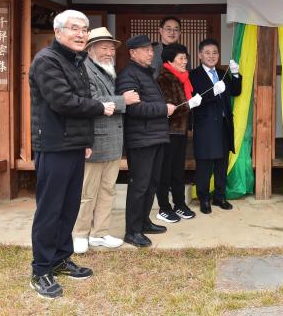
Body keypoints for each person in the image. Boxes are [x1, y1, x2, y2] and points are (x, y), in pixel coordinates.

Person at [29, 10, 115, 299]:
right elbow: (63, 102)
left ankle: (61, 257)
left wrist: (86, 140)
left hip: (74, 145)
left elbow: (81, 102)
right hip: (53, 145)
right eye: (74, 28)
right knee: (50, 209)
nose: (81, 34)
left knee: (68, 207)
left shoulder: (75, 61)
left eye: (84, 29)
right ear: (58, 32)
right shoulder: (46, 60)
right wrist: (100, 108)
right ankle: (41, 269)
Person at [72, 28, 140, 253]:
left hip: (112, 140)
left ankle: (99, 233)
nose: (109, 52)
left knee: (107, 190)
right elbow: (89, 101)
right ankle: (80, 234)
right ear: (90, 49)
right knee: (87, 192)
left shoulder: (108, 70)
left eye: (112, 48)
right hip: (94, 141)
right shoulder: (84, 70)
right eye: (104, 47)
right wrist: (123, 100)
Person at [116, 34, 173, 248]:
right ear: (133, 53)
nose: (151, 53)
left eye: (151, 49)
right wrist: (164, 109)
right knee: (139, 185)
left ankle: (143, 221)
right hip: (141, 139)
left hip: (155, 137)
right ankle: (132, 231)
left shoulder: (146, 74)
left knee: (152, 183)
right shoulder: (128, 75)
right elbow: (134, 108)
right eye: (146, 50)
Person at [190, 38, 241, 214]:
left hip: (224, 125)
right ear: (199, 55)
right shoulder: (193, 75)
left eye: (215, 53)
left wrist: (235, 74)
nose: (211, 56)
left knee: (221, 163)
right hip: (205, 125)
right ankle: (204, 198)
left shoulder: (222, 73)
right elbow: (195, 100)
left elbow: (236, 91)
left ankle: (220, 196)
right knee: (204, 164)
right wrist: (213, 91)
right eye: (207, 52)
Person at [155, 43, 201, 223]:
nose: (185, 61)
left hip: (180, 132)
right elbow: (169, 109)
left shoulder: (182, 77)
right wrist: (190, 105)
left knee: (178, 171)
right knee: (165, 172)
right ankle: (164, 207)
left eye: (185, 58)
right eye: (181, 58)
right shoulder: (164, 79)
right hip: (167, 132)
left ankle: (180, 204)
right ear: (169, 61)